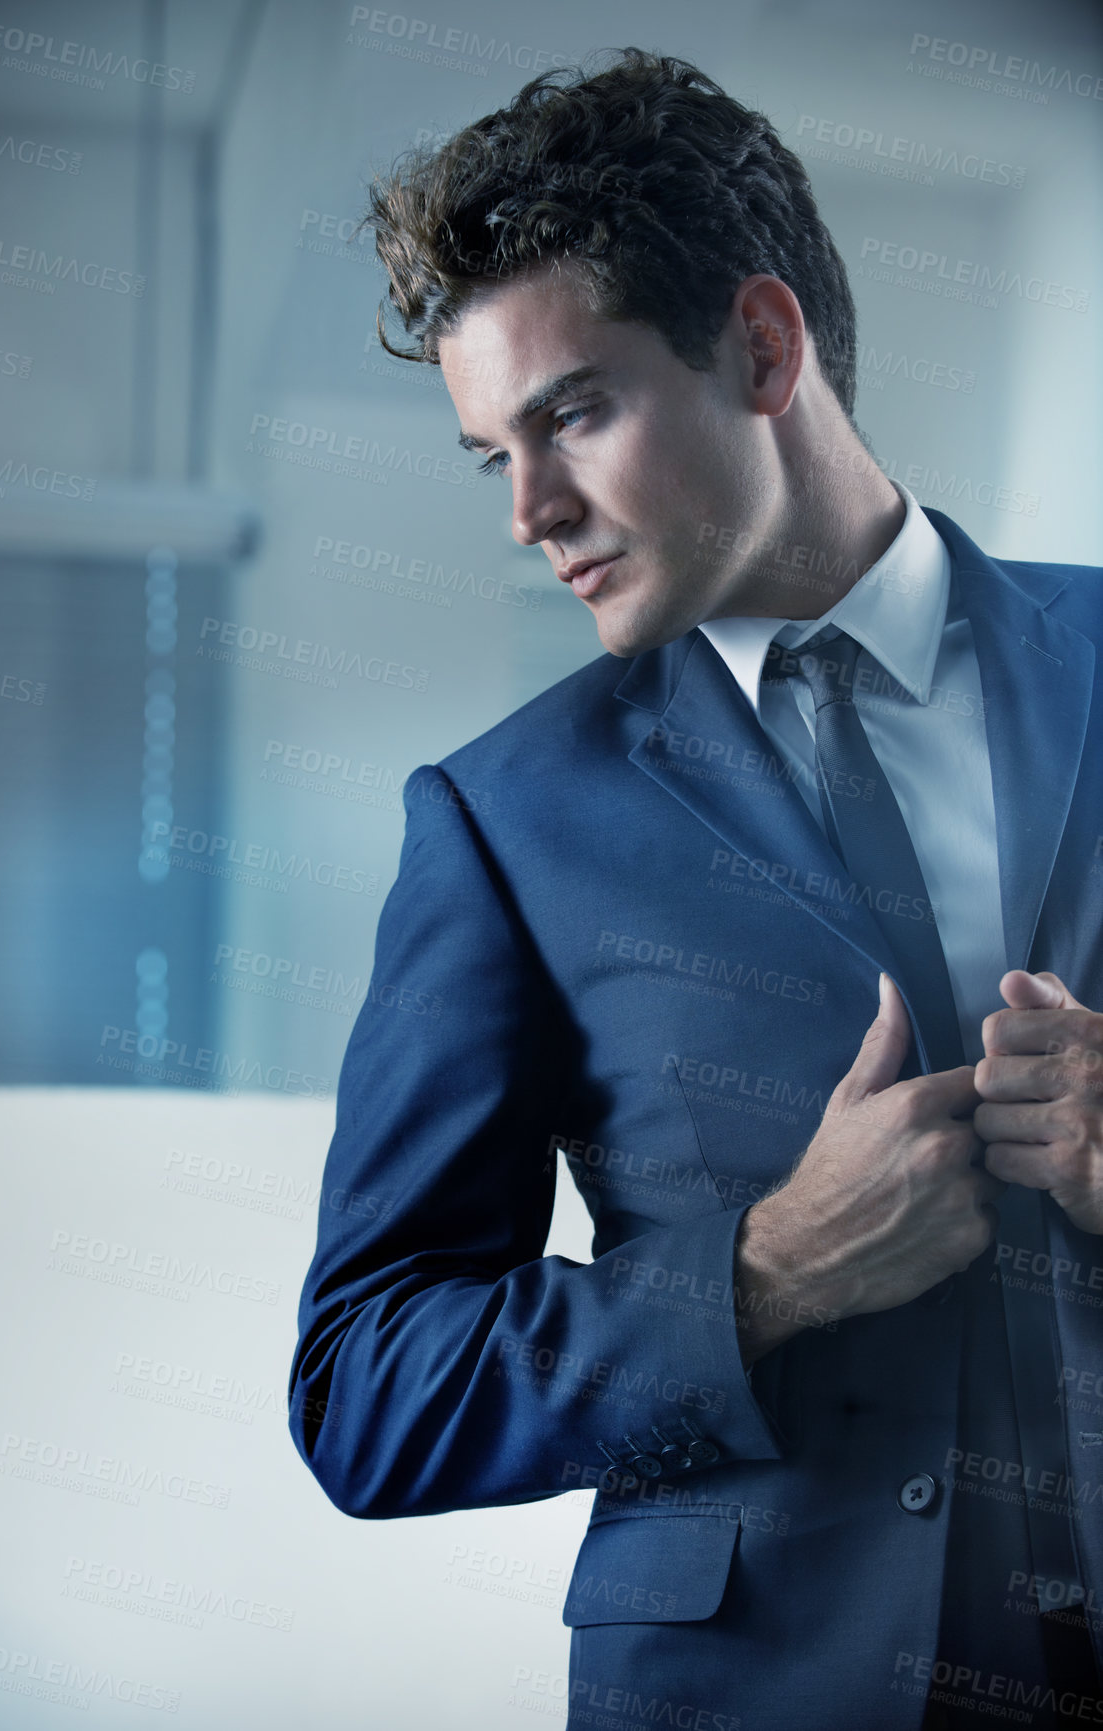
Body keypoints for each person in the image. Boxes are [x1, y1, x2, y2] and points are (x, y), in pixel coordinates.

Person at [288, 49, 1103, 1731]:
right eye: (488, 454)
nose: (528, 514)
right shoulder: (503, 822)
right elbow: (368, 1391)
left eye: (571, 412)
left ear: (761, 344)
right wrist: (767, 1276)